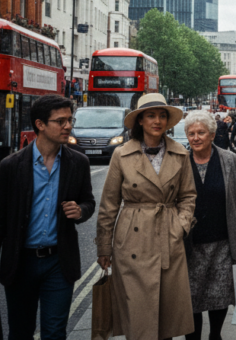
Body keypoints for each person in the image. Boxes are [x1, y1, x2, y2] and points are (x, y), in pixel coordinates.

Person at [0, 95, 95, 340]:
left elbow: (89, 202)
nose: (68, 126)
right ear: (40, 124)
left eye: (69, 120)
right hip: (21, 262)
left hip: (58, 262)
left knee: (54, 333)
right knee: (20, 332)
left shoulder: (78, 162)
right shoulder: (12, 166)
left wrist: (81, 210)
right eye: (60, 121)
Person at [95, 93, 198, 340]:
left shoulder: (180, 154)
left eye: (162, 116)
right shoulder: (122, 154)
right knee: (138, 317)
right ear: (140, 121)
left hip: (168, 240)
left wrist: (180, 226)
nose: (157, 121)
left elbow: (188, 196)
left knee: (166, 318)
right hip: (132, 240)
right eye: (151, 115)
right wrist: (104, 247)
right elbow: (109, 203)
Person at [183, 110, 236, 340]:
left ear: (213, 134)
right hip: (190, 244)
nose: (196, 138)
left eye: (201, 132)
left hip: (223, 242)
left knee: (220, 295)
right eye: (191, 133)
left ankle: (215, 335)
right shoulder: (179, 163)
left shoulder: (231, 161)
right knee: (192, 297)